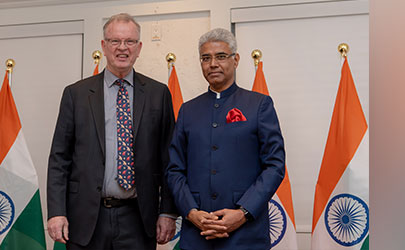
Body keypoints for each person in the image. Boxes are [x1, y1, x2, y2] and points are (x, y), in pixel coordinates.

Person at [47, 13, 176, 250]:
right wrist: (56, 212)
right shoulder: (76, 94)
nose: (122, 48)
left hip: (138, 218)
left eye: (129, 42)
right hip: (85, 219)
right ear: (104, 46)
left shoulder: (159, 94)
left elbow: (169, 160)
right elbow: (59, 158)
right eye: (115, 41)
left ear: (139, 48)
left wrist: (168, 211)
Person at [166, 28, 285, 250]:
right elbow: (174, 170)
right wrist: (192, 213)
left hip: (246, 234)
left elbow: (274, 166)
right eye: (205, 58)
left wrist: (243, 212)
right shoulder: (188, 111)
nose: (212, 64)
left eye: (221, 56)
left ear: (236, 60)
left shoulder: (259, 105)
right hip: (197, 233)